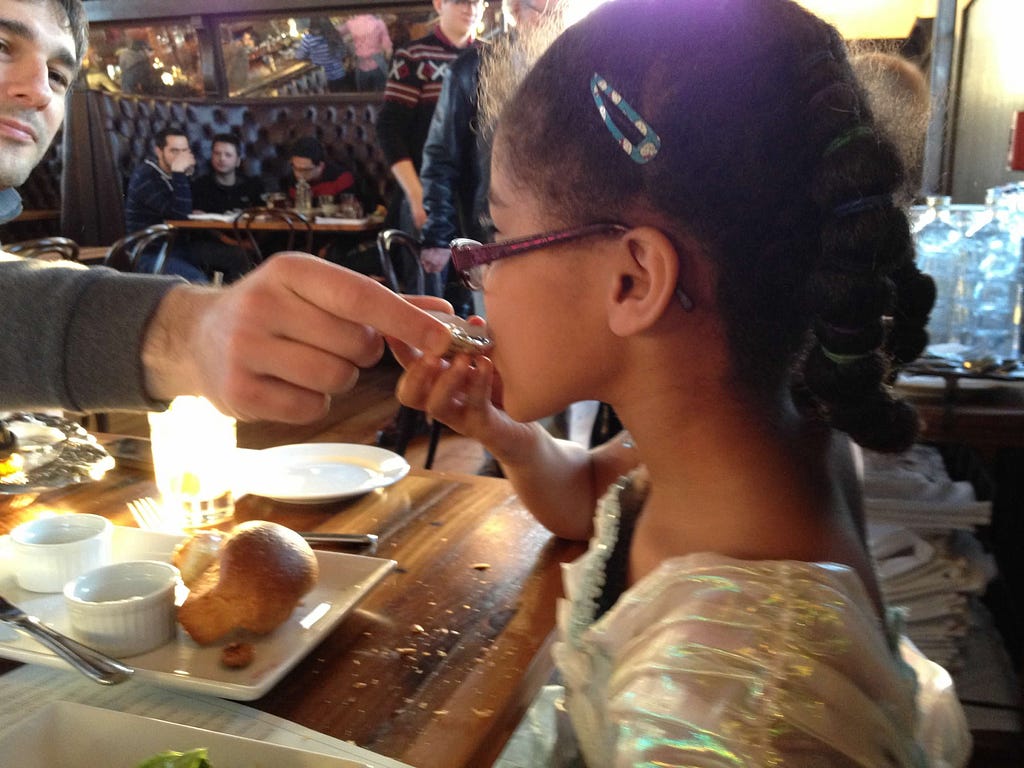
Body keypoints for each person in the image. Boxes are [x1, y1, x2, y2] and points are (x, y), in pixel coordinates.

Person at [390, 0, 972, 765]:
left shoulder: (740, 711)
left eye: (498, 237)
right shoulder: (763, 434)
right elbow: (592, 496)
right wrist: (502, 436)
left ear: (634, 280)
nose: (481, 272)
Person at [0, 0, 455, 424]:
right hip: (159, 255)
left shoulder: (268, 181)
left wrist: (199, 335)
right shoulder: (155, 177)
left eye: (59, 76)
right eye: (2, 46)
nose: (40, 91)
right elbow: (178, 218)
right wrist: (193, 333)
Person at [419, 0, 555, 286]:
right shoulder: (473, 69)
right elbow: (442, 157)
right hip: (494, 242)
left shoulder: (587, 63)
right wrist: (437, 236)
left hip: (574, 243)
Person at [376, 0, 483, 248]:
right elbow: (389, 129)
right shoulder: (413, 56)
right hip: (427, 191)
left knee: (475, 285)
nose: (471, 9)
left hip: (474, 198)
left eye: (477, 2)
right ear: (438, 5)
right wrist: (416, 194)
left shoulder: (489, 56)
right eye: (461, 2)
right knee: (424, 284)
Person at [190, 133, 264, 214]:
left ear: (238, 161)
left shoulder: (253, 187)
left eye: (228, 155)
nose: (222, 159)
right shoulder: (199, 186)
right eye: (217, 154)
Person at [280, 136, 355, 204]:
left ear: (320, 166)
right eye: (296, 168)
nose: (299, 175)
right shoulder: (287, 181)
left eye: (305, 170)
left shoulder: (342, 179)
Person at [294, 17, 350, 93]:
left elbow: (299, 56)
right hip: (339, 74)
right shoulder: (335, 35)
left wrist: (311, 55)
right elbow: (343, 53)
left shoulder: (308, 39)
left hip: (322, 77)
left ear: (312, 25)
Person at [339, 14, 392, 92]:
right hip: (378, 64)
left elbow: (334, 33)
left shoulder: (351, 23)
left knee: (364, 96)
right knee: (381, 95)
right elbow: (388, 50)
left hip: (361, 65)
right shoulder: (379, 23)